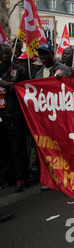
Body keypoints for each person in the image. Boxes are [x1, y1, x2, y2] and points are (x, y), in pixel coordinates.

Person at [0, 43, 30, 192]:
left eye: (8, 53)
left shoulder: (19, 71)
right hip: (1, 115)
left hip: (14, 114)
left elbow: (24, 91)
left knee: (17, 148)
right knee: (3, 148)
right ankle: (6, 176)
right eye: (3, 53)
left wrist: (8, 85)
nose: (6, 55)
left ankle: (21, 178)